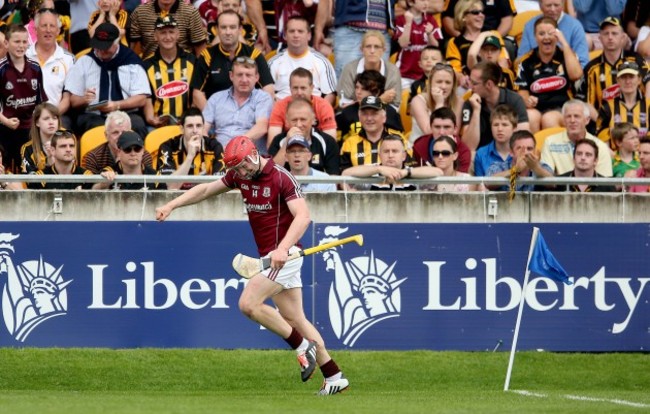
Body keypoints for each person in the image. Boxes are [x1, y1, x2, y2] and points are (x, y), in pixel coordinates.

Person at [155, 135, 350, 396]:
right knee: (295, 318)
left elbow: (303, 217)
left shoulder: (281, 177)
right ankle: (334, 376)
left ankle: (302, 347)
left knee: (248, 304)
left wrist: (282, 249)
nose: (240, 173)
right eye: (235, 170)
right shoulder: (239, 176)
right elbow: (204, 190)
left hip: (285, 256)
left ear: (253, 155)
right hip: (271, 256)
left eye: (243, 167)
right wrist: (172, 204)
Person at [65, 23, 150, 139]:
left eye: (105, 47)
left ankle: (134, 156)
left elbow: (141, 99)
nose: (100, 51)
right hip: (93, 114)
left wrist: (117, 105)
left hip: (126, 112)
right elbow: (73, 101)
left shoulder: (132, 61)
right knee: (95, 127)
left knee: (137, 125)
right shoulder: (84, 62)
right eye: (98, 46)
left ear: (116, 43)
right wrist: (84, 99)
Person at [191, 11, 275, 110]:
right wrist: (213, 117)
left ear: (240, 30)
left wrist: (257, 115)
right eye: (223, 27)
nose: (228, 32)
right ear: (217, 30)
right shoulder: (207, 56)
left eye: (232, 27)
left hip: (250, 115)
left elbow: (268, 90)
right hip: (216, 116)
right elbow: (197, 94)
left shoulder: (254, 55)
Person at [516, 17, 583, 133]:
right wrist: (527, 99)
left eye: (551, 33)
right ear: (535, 37)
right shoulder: (525, 61)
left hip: (564, 107)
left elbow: (576, 75)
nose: (546, 37)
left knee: (549, 119)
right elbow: (522, 91)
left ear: (557, 35)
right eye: (541, 34)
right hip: (537, 108)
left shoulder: (567, 55)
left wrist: (564, 43)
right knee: (530, 116)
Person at [578, 17, 650, 115]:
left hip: (637, 119)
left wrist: (644, 113)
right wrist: (602, 123)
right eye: (606, 33)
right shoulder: (591, 68)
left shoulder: (636, 60)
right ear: (600, 38)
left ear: (623, 37)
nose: (610, 37)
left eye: (614, 33)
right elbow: (586, 103)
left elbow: (649, 83)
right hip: (604, 123)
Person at [0, 24, 47, 173]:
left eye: (24, 42)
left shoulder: (35, 68)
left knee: (29, 169)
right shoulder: (1, 69)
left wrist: (37, 123)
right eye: (16, 41)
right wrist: (6, 121)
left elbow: (41, 102)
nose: (21, 46)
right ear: (6, 43)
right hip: (5, 128)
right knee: (6, 169)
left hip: (29, 129)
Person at [202, 57, 274, 153]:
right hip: (219, 157)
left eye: (248, 75)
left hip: (250, 157)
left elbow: (261, 127)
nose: (244, 80)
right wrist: (212, 148)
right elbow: (202, 128)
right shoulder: (216, 98)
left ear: (256, 77)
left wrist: (233, 147)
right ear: (231, 76)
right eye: (239, 75)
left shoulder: (263, 98)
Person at [313, 0, 394, 79]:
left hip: (382, 33)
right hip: (350, 30)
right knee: (346, 79)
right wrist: (318, 29)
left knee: (377, 81)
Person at [143, 16, 197, 129]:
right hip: (157, 125)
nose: (168, 37)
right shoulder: (147, 65)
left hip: (187, 124)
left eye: (171, 32)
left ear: (178, 34)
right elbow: (146, 97)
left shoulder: (192, 60)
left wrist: (189, 119)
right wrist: (151, 119)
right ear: (155, 36)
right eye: (163, 33)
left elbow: (197, 95)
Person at [268, 16, 337, 105]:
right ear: (285, 35)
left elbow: (330, 94)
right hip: (281, 114)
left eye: (300, 31)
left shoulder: (322, 62)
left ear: (309, 35)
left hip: (313, 115)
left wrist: (316, 114)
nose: (296, 35)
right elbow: (266, 95)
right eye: (292, 31)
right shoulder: (273, 63)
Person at [462, 61, 529, 150]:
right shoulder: (470, 103)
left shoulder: (514, 100)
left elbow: (522, 139)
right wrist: (476, 111)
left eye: (474, 83)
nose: (470, 87)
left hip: (508, 154)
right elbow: (468, 146)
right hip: (481, 156)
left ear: (489, 84)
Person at [25, 7, 74, 126]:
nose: (48, 30)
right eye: (44, 26)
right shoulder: (23, 55)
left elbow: (67, 98)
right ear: (36, 29)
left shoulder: (68, 59)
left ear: (58, 30)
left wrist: (50, 117)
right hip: (26, 118)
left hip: (56, 116)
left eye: (52, 26)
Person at [342, 134, 442, 191]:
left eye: (395, 151)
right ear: (379, 155)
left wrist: (406, 173)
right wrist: (378, 169)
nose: (390, 155)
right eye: (386, 151)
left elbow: (439, 173)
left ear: (404, 156)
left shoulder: (413, 174)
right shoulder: (371, 171)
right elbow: (345, 174)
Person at [156, 108, 224, 190]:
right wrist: (190, 157)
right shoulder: (167, 147)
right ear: (182, 129)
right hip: (175, 199)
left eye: (198, 126)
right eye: (190, 126)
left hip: (205, 198)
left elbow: (220, 187)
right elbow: (171, 187)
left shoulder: (215, 147)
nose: (195, 131)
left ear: (203, 128)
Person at [445, 0, 507, 90]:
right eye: (475, 12)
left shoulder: (493, 35)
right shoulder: (454, 42)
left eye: (482, 12)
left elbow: (504, 63)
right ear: (463, 16)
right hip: (468, 86)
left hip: (495, 83)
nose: (481, 15)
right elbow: (455, 71)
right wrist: (462, 78)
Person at [541, 100, 613, 177]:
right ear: (564, 120)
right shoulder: (550, 142)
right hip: (561, 188)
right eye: (568, 116)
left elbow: (605, 182)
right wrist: (535, 166)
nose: (572, 120)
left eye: (577, 116)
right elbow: (547, 178)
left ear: (587, 120)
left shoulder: (600, 146)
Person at [268, 98, 340, 175]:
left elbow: (333, 177)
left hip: (318, 186)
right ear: (287, 121)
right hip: (286, 186)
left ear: (313, 120)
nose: (298, 124)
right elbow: (271, 173)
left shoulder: (327, 142)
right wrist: (286, 143)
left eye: (303, 119)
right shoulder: (279, 141)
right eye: (294, 120)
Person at [340, 96, 412, 171]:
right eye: (365, 114)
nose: (369, 118)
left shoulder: (400, 140)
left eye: (374, 114)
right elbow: (344, 176)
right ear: (359, 117)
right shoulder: (349, 143)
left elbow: (410, 169)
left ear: (384, 117)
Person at [267, 68, 337, 145]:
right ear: (290, 88)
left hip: (317, 151)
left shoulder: (323, 106)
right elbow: (272, 143)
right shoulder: (280, 106)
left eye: (303, 88)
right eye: (295, 88)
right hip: (288, 149)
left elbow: (331, 142)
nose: (299, 92)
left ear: (311, 88)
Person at [336, 30, 402, 109]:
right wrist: (379, 100)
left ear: (383, 50)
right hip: (354, 117)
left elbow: (395, 106)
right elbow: (345, 105)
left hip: (384, 116)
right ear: (361, 49)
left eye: (377, 47)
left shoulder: (393, 71)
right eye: (368, 46)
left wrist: (362, 103)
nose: (372, 51)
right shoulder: (350, 69)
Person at [517, 0, 590, 68]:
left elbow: (583, 62)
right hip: (535, 73)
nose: (553, 9)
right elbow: (521, 60)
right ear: (540, 6)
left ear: (563, 4)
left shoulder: (575, 26)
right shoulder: (530, 25)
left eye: (556, 5)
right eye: (548, 6)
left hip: (566, 74)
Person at [336, 70, 404, 143]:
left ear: (377, 92)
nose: (358, 92)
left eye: (364, 89)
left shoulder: (390, 113)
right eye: (357, 87)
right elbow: (339, 142)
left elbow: (399, 141)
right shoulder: (347, 112)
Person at [82, 111, 154, 174]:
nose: (120, 136)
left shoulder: (142, 155)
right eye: (115, 132)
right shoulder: (93, 157)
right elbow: (89, 187)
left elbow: (148, 185)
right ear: (106, 135)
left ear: (131, 132)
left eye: (124, 132)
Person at [128, 0, 207, 58]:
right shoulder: (140, 12)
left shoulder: (191, 12)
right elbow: (133, 48)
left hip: (185, 68)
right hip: (149, 68)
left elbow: (200, 48)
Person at [597, 61, 650, 147]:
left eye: (631, 77)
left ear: (639, 79)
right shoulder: (606, 108)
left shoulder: (648, 106)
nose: (627, 81)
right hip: (615, 158)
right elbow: (602, 142)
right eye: (623, 77)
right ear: (618, 80)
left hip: (644, 157)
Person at [393, 0, 442, 91]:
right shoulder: (401, 19)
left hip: (424, 75)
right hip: (403, 73)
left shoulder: (430, 19)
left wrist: (430, 34)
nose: (426, 3)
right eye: (422, 0)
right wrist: (408, 24)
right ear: (411, 2)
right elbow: (403, 44)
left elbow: (435, 47)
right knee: (403, 101)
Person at [93, 130, 166, 190]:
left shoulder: (155, 177)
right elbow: (90, 193)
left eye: (137, 149)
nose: (133, 153)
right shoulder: (108, 172)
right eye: (127, 149)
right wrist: (103, 185)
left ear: (143, 151)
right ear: (118, 152)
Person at [410, 62, 463, 143]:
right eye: (439, 82)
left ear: (453, 85)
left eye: (448, 82)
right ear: (430, 83)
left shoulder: (459, 101)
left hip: (448, 148)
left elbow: (455, 132)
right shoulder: (418, 101)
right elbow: (429, 132)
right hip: (420, 148)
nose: (443, 86)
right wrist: (439, 103)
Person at [486, 130, 554, 193]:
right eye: (520, 149)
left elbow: (554, 184)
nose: (525, 153)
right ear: (511, 152)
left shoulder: (542, 167)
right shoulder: (499, 167)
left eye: (529, 149)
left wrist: (536, 168)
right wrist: (515, 170)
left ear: (534, 151)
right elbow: (488, 183)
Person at [28, 130, 93, 190]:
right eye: (63, 146)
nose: (68, 150)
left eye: (71, 146)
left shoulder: (86, 176)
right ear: (53, 151)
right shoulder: (40, 178)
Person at [412, 106, 471, 172]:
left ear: (455, 129)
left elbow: (459, 180)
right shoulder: (419, 146)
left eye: (446, 127)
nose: (442, 132)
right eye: (437, 127)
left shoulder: (463, 151)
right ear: (430, 127)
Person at [473, 104, 517, 177]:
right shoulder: (481, 153)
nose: (499, 129)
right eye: (496, 125)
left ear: (514, 128)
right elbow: (480, 184)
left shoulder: (522, 152)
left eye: (504, 125)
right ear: (491, 127)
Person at [441, 0, 517, 40]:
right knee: (449, 44)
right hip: (461, 35)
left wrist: (494, 38)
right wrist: (462, 39)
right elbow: (448, 18)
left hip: (492, 36)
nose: (481, 15)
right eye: (476, 12)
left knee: (508, 46)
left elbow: (507, 18)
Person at [20, 103, 60, 174]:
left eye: (54, 118)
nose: (51, 122)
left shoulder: (66, 144)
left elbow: (72, 172)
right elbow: (29, 179)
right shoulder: (27, 149)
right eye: (46, 119)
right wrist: (49, 164)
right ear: (37, 123)